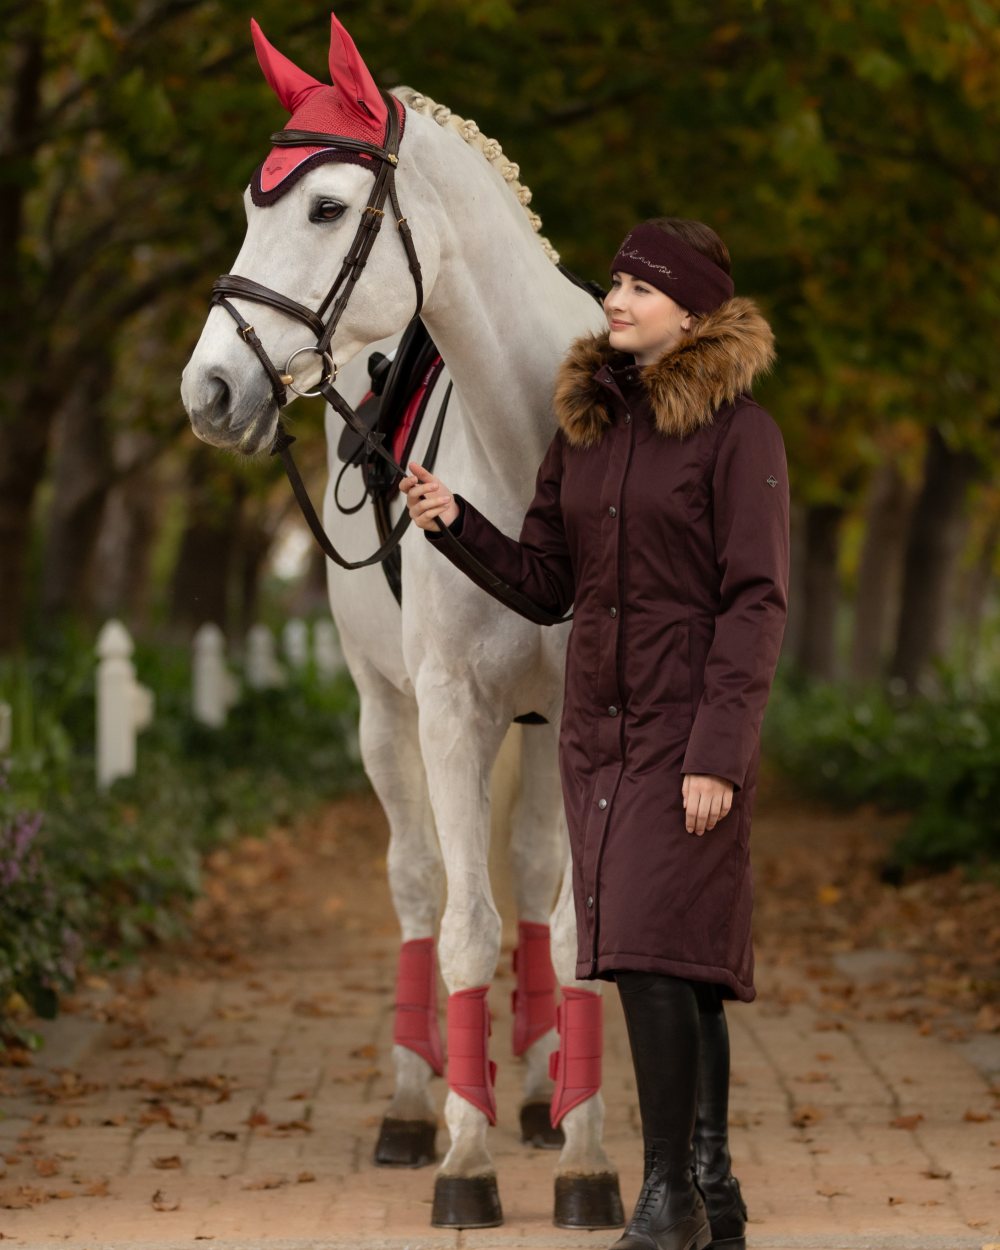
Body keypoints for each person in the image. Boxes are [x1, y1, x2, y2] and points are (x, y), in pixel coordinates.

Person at [400, 217, 789, 1250]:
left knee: (666, 959)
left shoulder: (741, 434)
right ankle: (711, 1184)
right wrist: (453, 523)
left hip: (685, 731)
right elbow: (545, 583)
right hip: (596, 738)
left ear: (692, 310)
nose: (614, 298)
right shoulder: (588, 427)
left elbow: (756, 603)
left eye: (640, 287)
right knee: (670, 961)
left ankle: (666, 1195)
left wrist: (718, 750)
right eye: (614, 280)